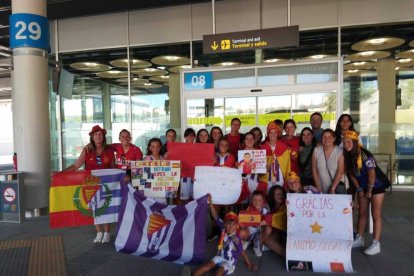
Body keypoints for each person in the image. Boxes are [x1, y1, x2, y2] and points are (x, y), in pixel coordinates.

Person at [63, 125, 115, 243]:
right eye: (95, 134)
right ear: (92, 137)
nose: (98, 136)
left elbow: (113, 166)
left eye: (100, 134)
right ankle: (99, 232)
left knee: (105, 208)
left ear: (103, 136)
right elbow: (76, 166)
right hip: (91, 184)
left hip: (106, 184)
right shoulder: (87, 151)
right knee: (94, 208)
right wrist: (60, 173)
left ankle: (107, 232)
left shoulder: (110, 150)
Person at [190, 194, 257, 276]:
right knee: (207, 266)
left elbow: (242, 252)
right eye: (228, 224)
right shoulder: (223, 228)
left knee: (218, 272)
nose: (231, 226)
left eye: (233, 224)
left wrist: (249, 264)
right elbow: (215, 216)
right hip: (220, 256)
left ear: (237, 226)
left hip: (229, 261)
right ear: (224, 224)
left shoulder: (236, 238)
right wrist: (210, 202)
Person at [343, 130, 385, 255]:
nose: (346, 144)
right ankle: (360, 238)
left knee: (375, 214)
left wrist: (369, 190)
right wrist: (360, 189)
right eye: (344, 142)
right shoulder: (347, 155)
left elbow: (372, 174)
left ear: (355, 142)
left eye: (349, 142)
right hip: (362, 186)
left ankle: (376, 243)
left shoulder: (365, 154)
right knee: (362, 213)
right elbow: (351, 174)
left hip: (376, 186)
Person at [208, 137, 236, 241]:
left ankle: (225, 231)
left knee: (227, 209)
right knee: (215, 209)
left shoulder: (232, 156)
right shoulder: (213, 156)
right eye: (221, 144)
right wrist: (212, 163)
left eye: (225, 145)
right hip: (215, 186)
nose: (223, 146)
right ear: (218, 145)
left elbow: (234, 170)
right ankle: (215, 230)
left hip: (228, 187)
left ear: (228, 146)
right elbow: (208, 169)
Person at [260, 122, 291, 193]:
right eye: (271, 133)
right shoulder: (262, 148)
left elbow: (287, 167)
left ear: (278, 134)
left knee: (279, 196)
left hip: (280, 177)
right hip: (266, 178)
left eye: (275, 133)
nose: (273, 135)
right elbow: (259, 166)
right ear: (268, 134)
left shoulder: (284, 147)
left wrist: (287, 179)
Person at [312, 129, 346, 194]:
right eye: (324, 137)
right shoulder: (316, 151)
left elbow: (340, 171)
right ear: (321, 139)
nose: (327, 139)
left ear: (334, 139)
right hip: (322, 185)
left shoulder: (339, 151)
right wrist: (318, 186)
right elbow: (314, 169)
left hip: (337, 187)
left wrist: (333, 188)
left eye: (330, 137)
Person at [243, 190, 270, 257]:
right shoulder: (249, 208)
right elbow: (246, 220)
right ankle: (247, 240)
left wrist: (264, 222)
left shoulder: (265, 208)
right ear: (251, 200)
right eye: (255, 200)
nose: (257, 202)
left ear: (263, 200)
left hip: (261, 227)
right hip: (252, 227)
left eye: (260, 200)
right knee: (249, 229)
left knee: (261, 233)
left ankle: (256, 246)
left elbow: (268, 217)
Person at [262, 185, 286, 258]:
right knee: (267, 233)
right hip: (270, 230)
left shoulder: (286, 205)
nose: (280, 196)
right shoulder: (267, 205)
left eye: (282, 194)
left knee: (268, 241)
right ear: (272, 195)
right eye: (277, 194)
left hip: (281, 231)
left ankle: (290, 257)